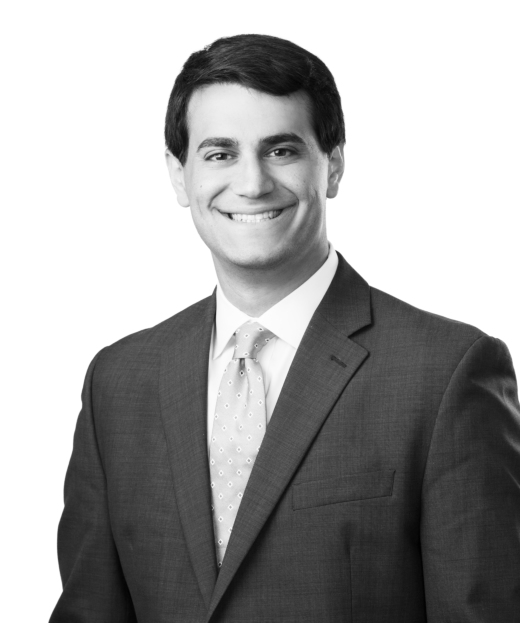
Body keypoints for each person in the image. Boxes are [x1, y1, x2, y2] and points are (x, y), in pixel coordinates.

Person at [49, 34, 520, 622]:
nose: (251, 183)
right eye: (220, 154)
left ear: (334, 165)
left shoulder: (445, 373)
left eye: (280, 150)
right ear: (178, 175)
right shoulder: (118, 383)